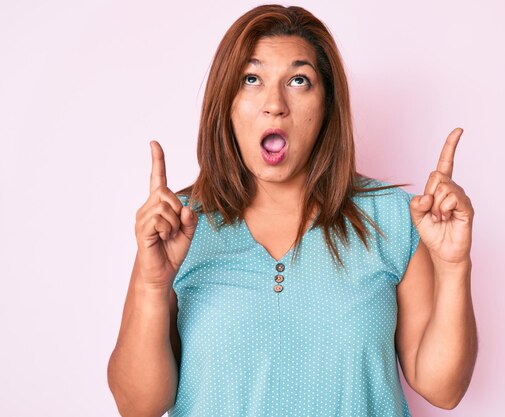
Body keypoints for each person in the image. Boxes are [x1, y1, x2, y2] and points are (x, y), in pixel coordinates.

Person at [107, 4, 477, 417]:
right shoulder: (179, 226)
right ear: (225, 103)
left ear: (326, 105)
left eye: (299, 80)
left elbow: (443, 389)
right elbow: (137, 406)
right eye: (251, 79)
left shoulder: (395, 220)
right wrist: (152, 284)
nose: (274, 104)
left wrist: (454, 265)